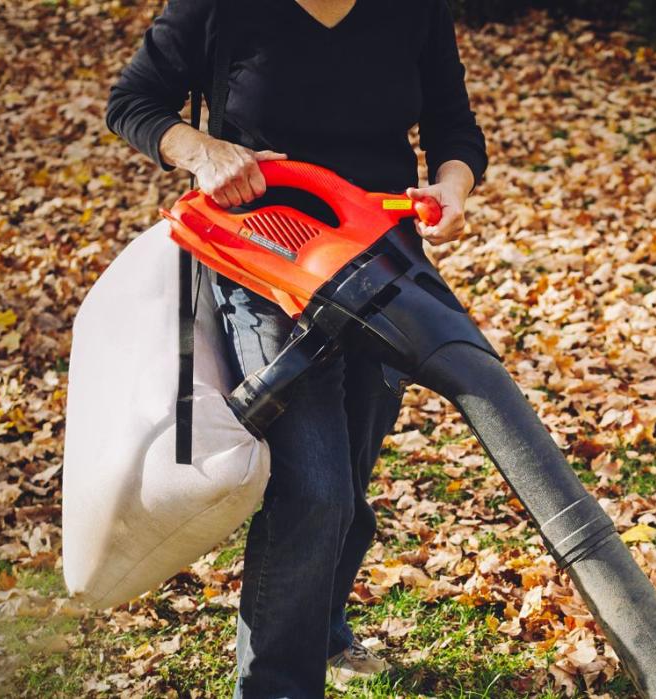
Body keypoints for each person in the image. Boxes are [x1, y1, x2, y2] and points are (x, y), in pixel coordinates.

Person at [104, 0, 487, 696]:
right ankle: (278, 682)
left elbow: (452, 125)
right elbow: (133, 101)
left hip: (380, 266)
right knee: (315, 489)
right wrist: (204, 151)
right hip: (262, 261)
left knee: (351, 465)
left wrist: (452, 188)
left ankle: (325, 625)